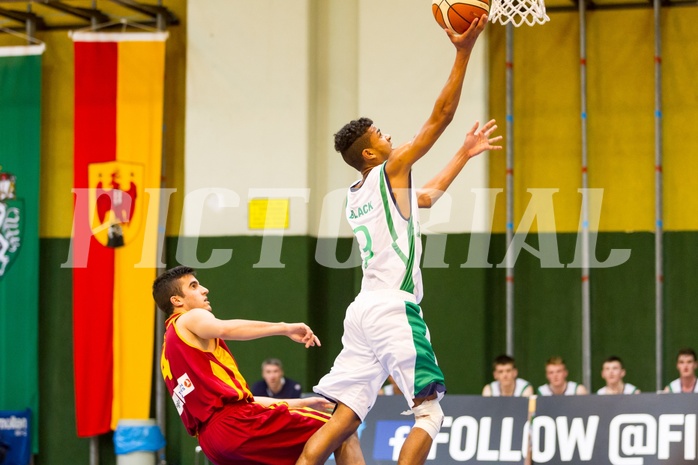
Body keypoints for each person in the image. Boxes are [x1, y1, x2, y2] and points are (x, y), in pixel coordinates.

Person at [296, 16, 499, 465]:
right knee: (429, 413)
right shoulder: (391, 170)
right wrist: (464, 51)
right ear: (370, 154)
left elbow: (425, 198)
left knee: (344, 419)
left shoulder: (354, 195)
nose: (390, 137)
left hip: (362, 310)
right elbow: (440, 117)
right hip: (392, 307)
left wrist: (463, 155)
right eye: (381, 135)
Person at [154, 266, 364, 465]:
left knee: (308, 448)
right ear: (176, 300)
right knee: (341, 430)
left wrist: (300, 403)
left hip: (213, 443)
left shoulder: (169, 350)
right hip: (236, 425)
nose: (204, 289)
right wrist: (285, 328)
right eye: (193, 286)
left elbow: (245, 402)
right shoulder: (189, 318)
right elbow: (225, 329)